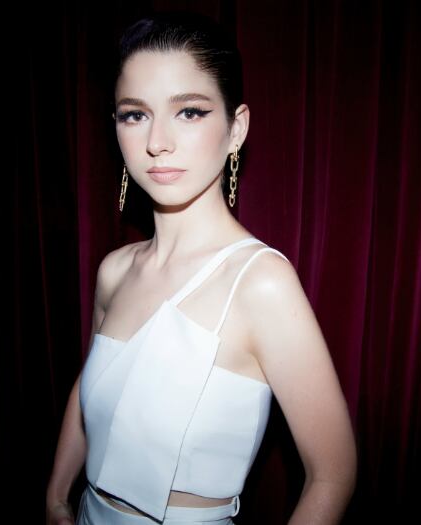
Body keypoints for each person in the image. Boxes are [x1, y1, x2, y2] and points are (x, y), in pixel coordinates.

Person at [46, 10, 356, 525]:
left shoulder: (260, 283)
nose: (157, 142)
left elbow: (333, 473)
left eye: (189, 111)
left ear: (237, 128)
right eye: (134, 115)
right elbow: (92, 387)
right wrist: (56, 495)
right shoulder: (114, 271)